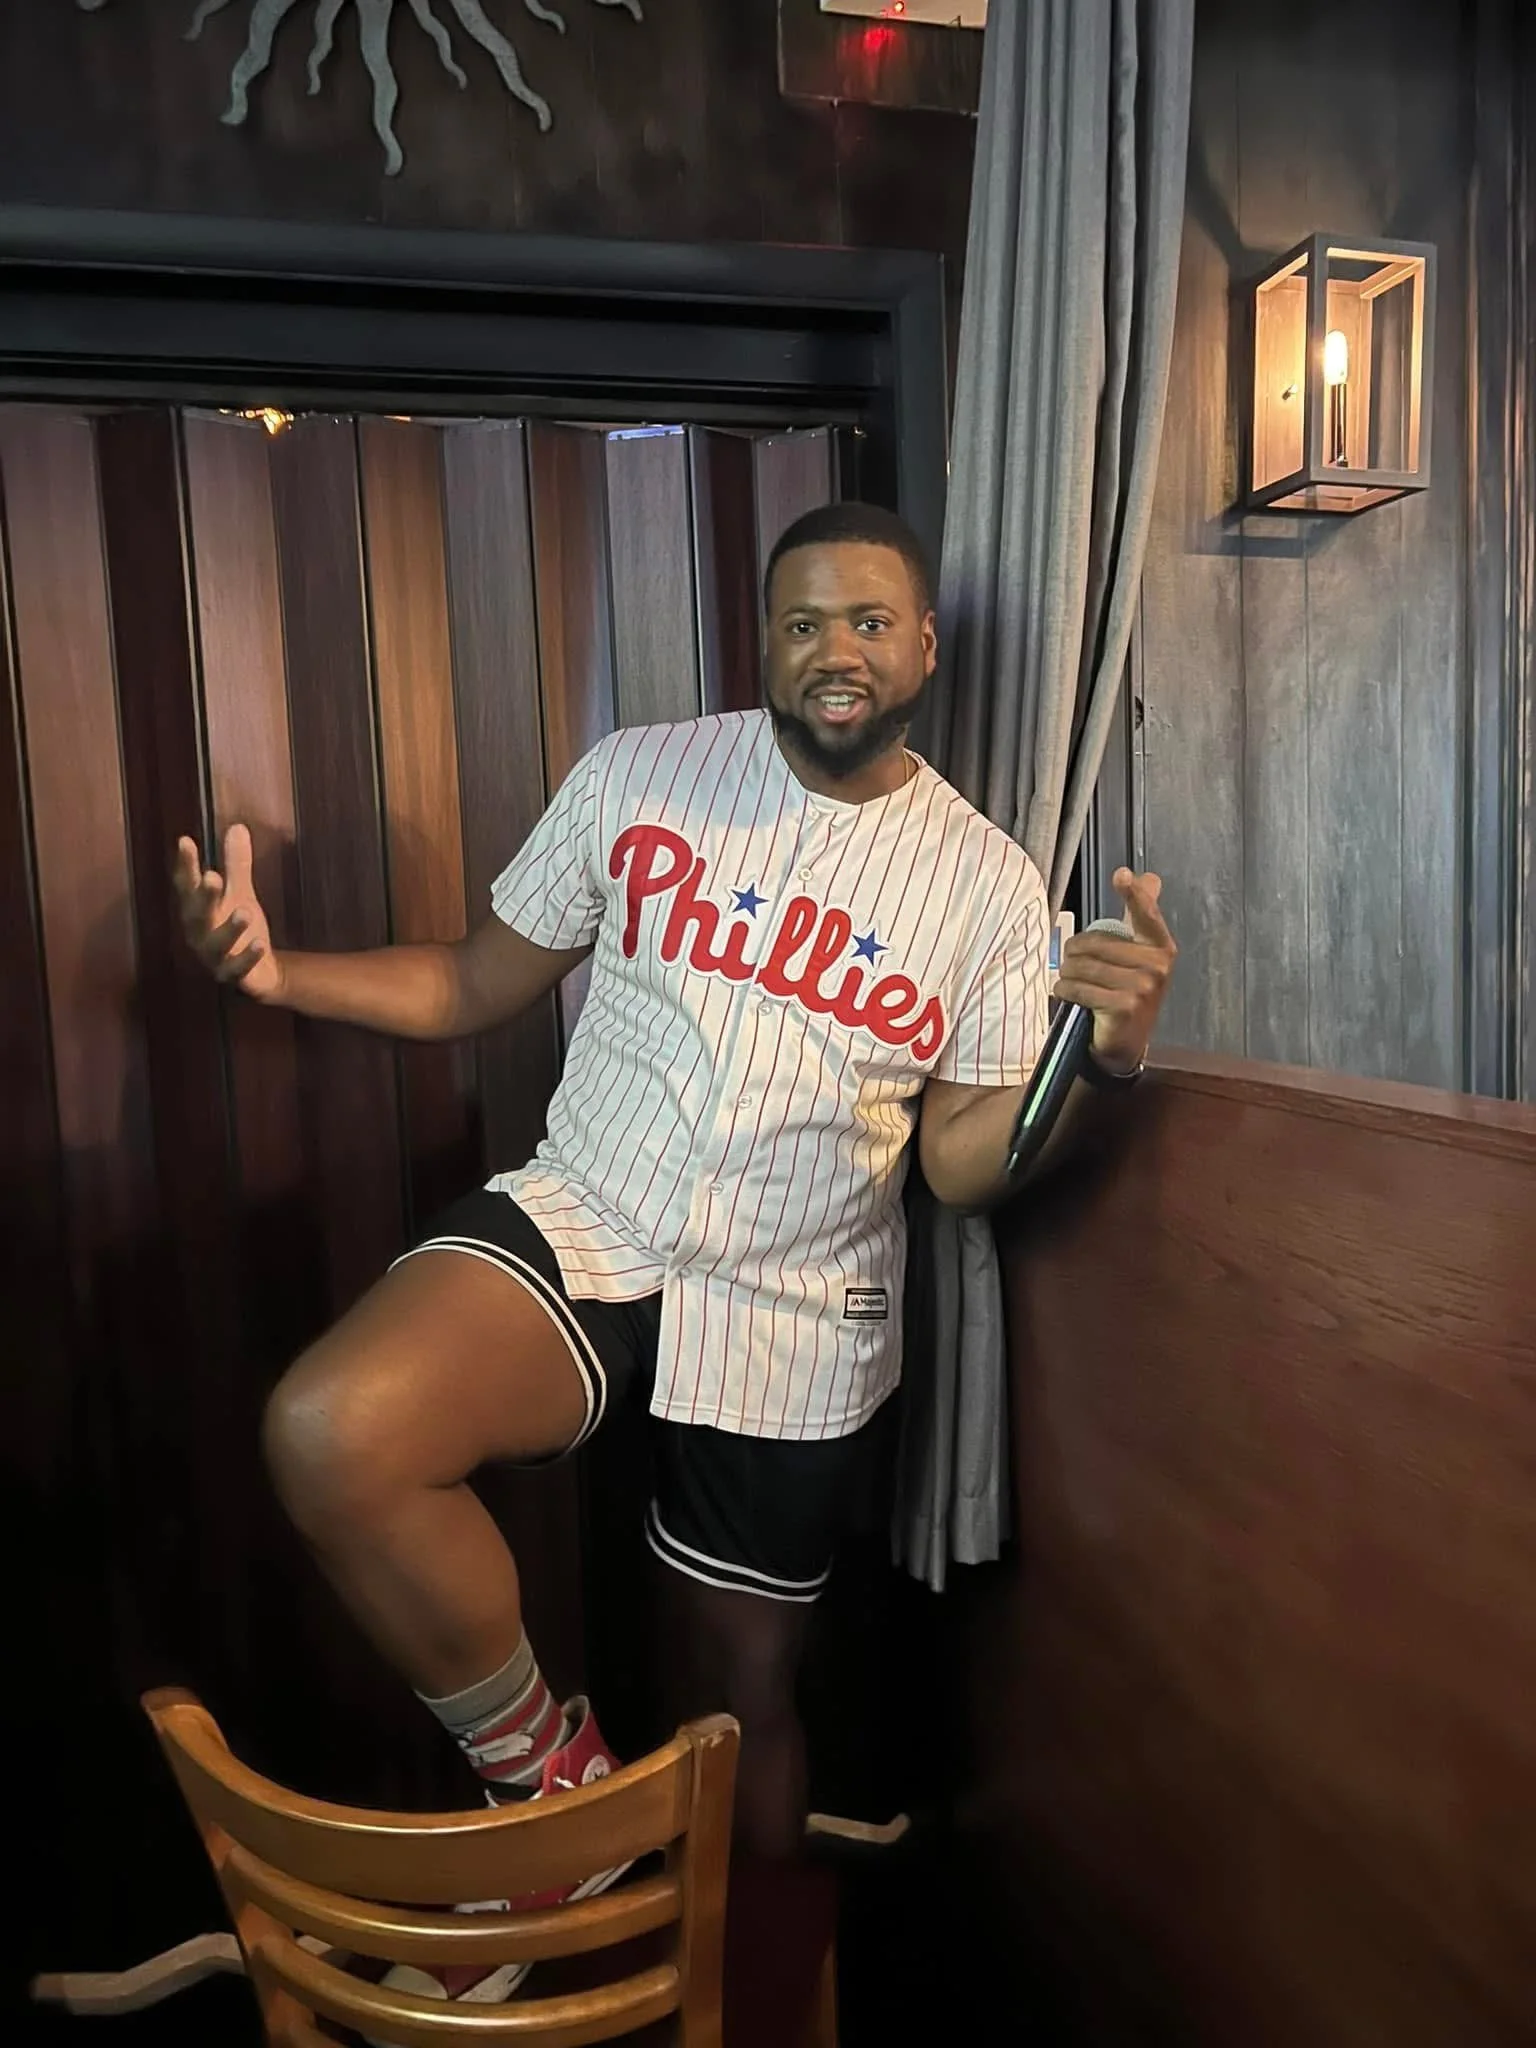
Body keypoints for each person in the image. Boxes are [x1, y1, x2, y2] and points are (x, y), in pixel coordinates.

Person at [174, 500, 1177, 2012]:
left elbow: (964, 1163)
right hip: (595, 1218)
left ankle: (761, 1996)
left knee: (740, 1704)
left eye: (865, 622)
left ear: (921, 646)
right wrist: (274, 974)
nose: (832, 652)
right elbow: (465, 978)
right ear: (763, 642)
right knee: (334, 1430)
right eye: (801, 622)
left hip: (795, 1301)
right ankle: (559, 1814)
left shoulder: (982, 882)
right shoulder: (642, 775)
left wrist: (1090, 1057)